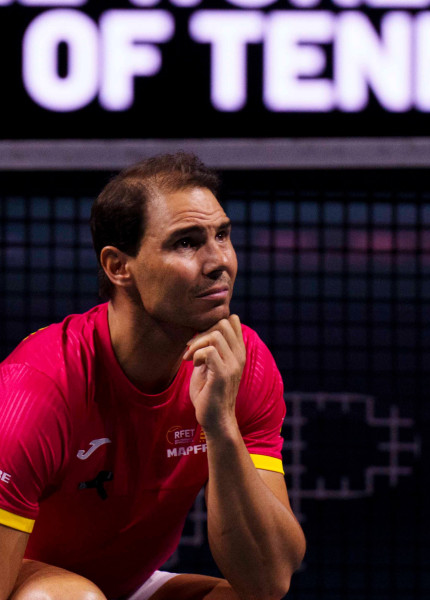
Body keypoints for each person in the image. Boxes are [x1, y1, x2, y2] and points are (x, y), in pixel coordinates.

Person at [0, 152, 305, 600]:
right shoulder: (38, 387)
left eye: (222, 235)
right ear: (118, 267)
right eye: (186, 242)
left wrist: (220, 427)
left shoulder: (242, 363)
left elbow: (269, 578)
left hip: (126, 585)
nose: (219, 260)